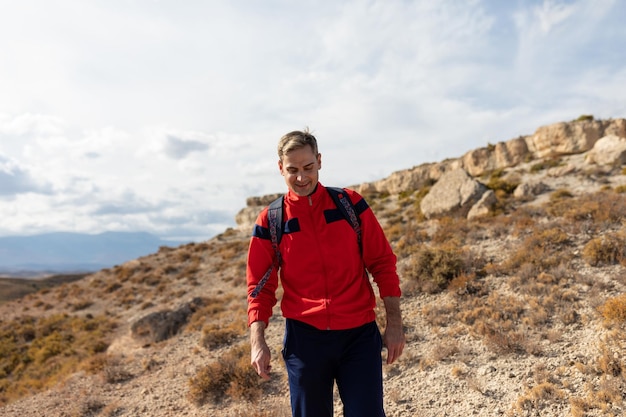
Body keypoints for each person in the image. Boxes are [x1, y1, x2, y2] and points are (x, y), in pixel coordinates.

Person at [247, 129, 405, 417]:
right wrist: (258, 341)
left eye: (308, 167)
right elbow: (259, 288)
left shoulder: (350, 205)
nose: (301, 177)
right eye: (292, 170)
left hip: (358, 335)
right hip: (305, 341)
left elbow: (382, 263)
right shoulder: (271, 220)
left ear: (319, 161)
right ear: (280, 168)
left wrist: (394, 323)